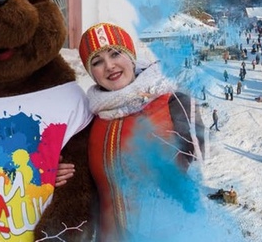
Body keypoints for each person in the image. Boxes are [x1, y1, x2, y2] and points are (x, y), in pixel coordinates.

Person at [79, 23, 205, 240]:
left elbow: (196, 176)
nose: (109, 66)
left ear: (131, 56)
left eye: (116, 53)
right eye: (97, 62)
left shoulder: (173, 102)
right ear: (92, 74)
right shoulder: (91, 117)